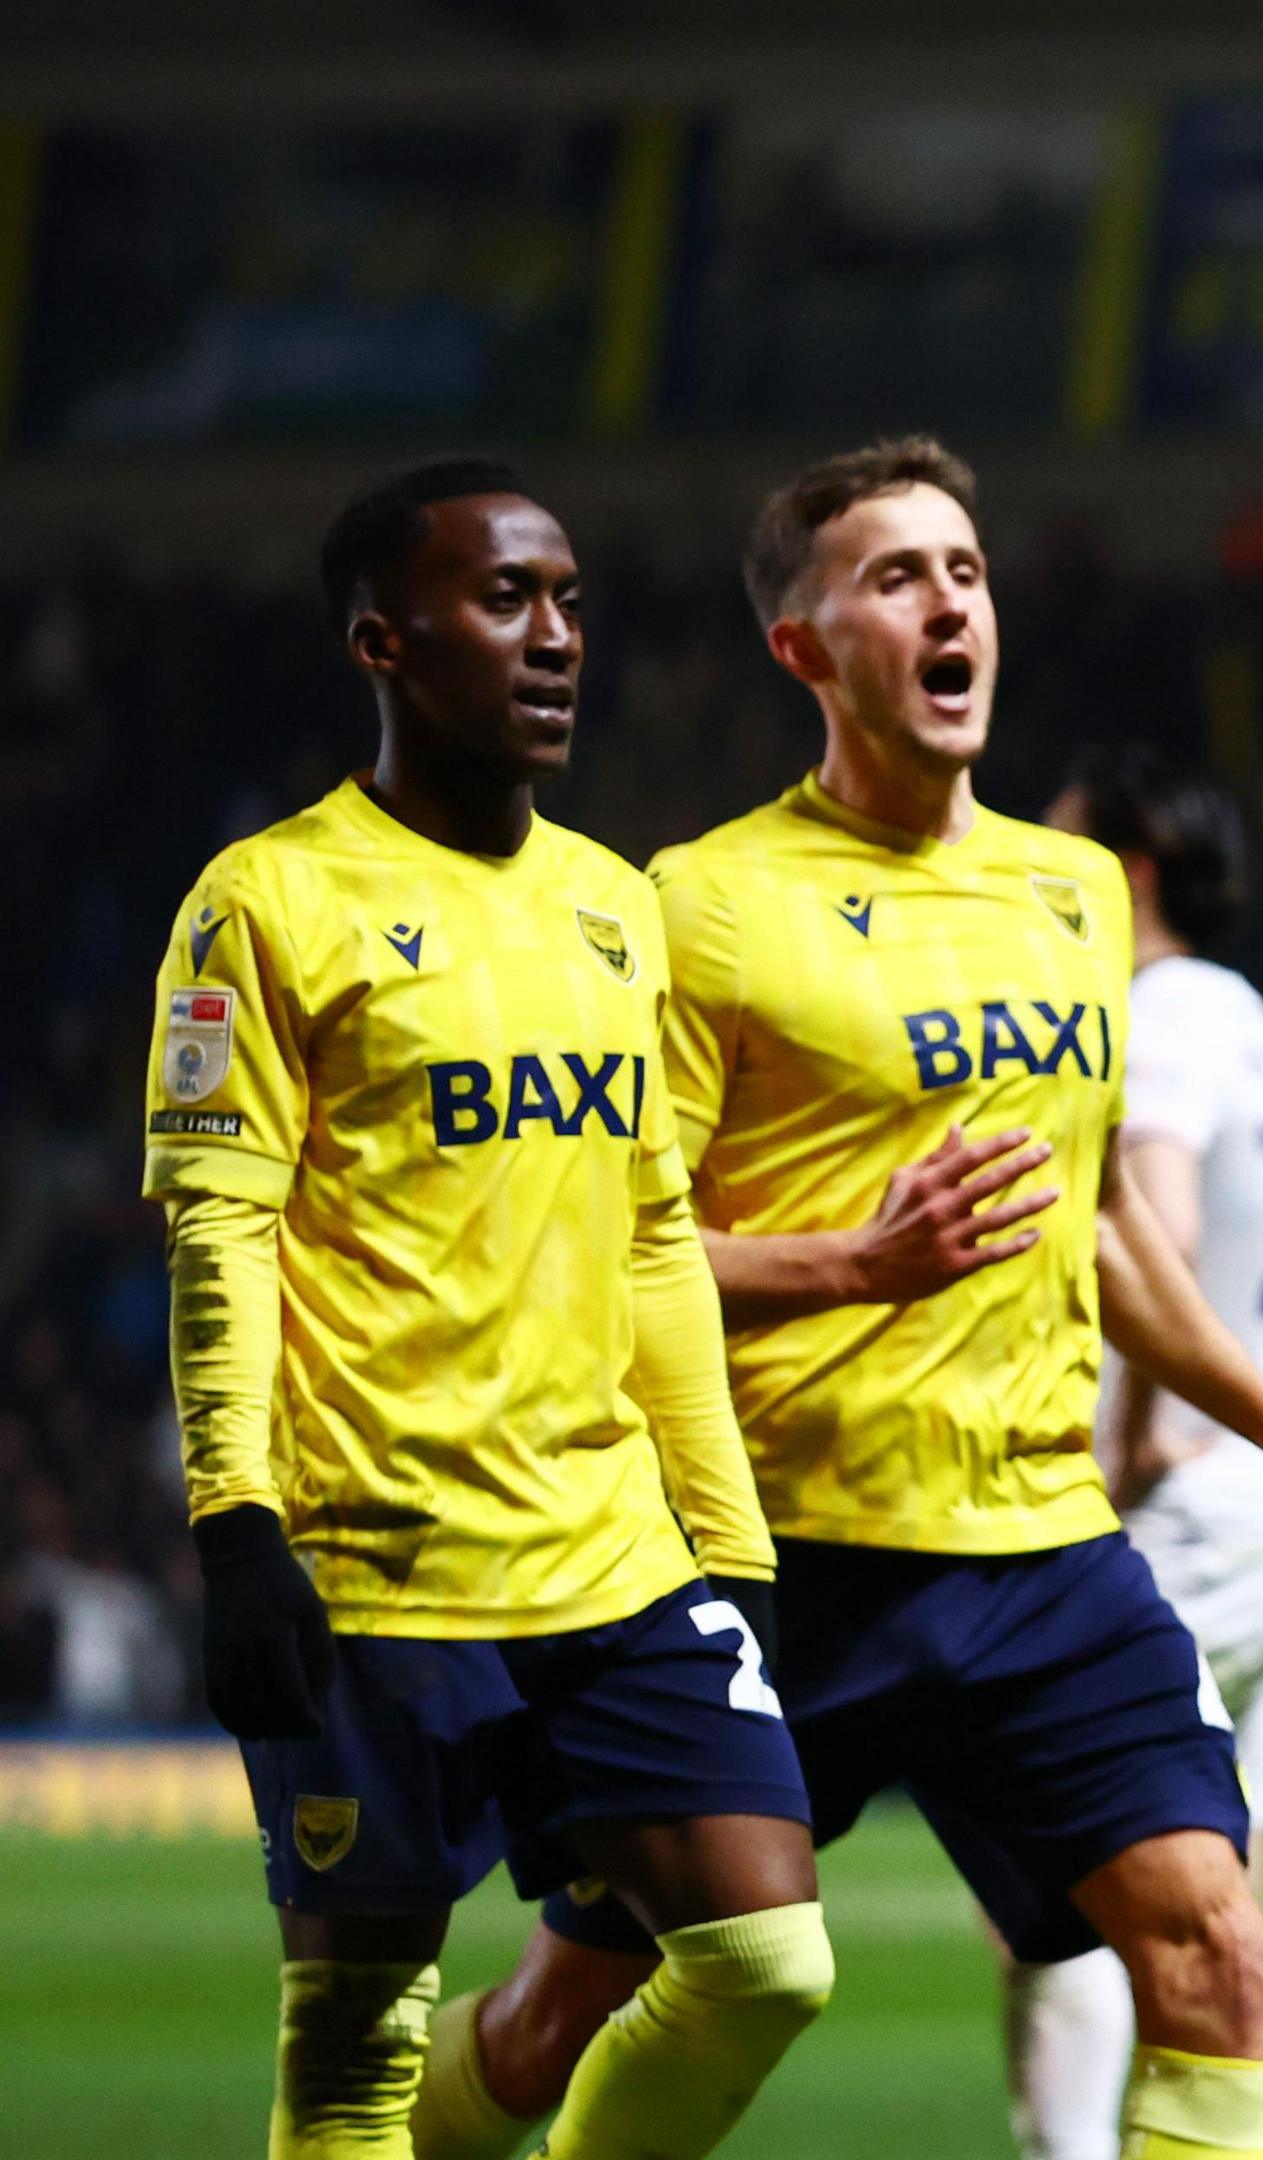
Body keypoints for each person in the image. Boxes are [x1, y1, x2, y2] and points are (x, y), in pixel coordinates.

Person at [409, 438, 1263, 2160]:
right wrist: (854, 1264)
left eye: (966, 571)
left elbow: (1100, 1229)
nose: (948, 601)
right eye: (896, 576)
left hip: (1040, 1550)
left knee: (1217, 1951)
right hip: (780, 1562)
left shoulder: (1069, 899)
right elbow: (600, 1254)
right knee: (569, 2014)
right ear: (805, 650)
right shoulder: (698, 908)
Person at [154, 459, 832, 2160]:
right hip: (377, 1570)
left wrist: (728, 1542)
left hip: (609, 1562)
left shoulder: (616, 905)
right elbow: (221, 1233)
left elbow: (654, 1234)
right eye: (506, 599)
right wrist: (236, 1524)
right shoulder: (267, 901)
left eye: (573, 601)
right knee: (353, 2060)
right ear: (386, 640)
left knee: (768, 1958)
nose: (555, 639)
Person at [1005, 748, 1263, 2160]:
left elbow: (1146, 1228)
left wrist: (1124, 1454)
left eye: (1061, 848)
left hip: (1195, 1516)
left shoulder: (1153, 1020)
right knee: (1222, 1904)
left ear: (1129, 875)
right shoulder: (1250, 1018)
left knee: (1065, 1885)